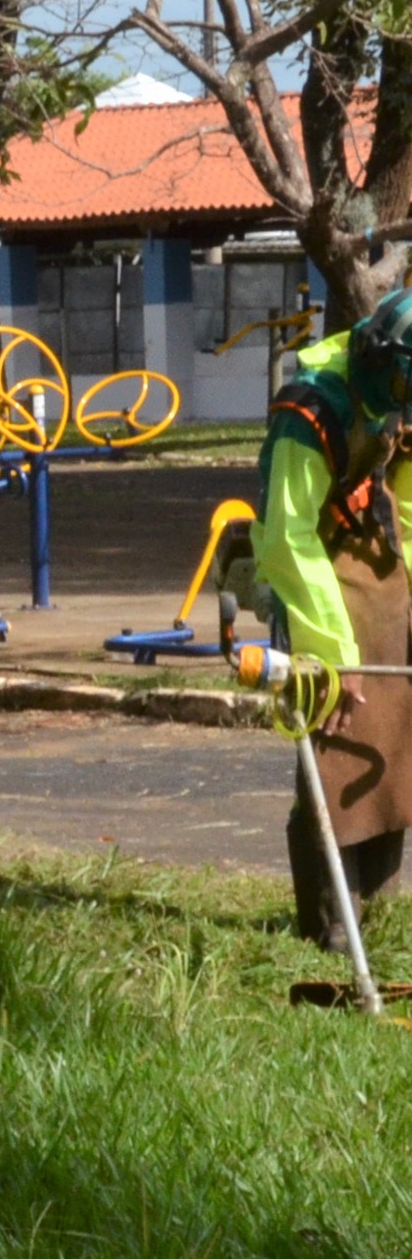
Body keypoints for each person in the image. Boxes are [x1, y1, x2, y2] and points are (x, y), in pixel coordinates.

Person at [250, 288, 412, 949]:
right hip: (306, 557)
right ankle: (328, 919)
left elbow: (407, 506)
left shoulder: (400, 397)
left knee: (398, 710)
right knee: (338, 723)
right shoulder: (311, 411)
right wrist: (335, 656)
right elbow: (288, 536)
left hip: (366, 542)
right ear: (380, 356)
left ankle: (371, 896)